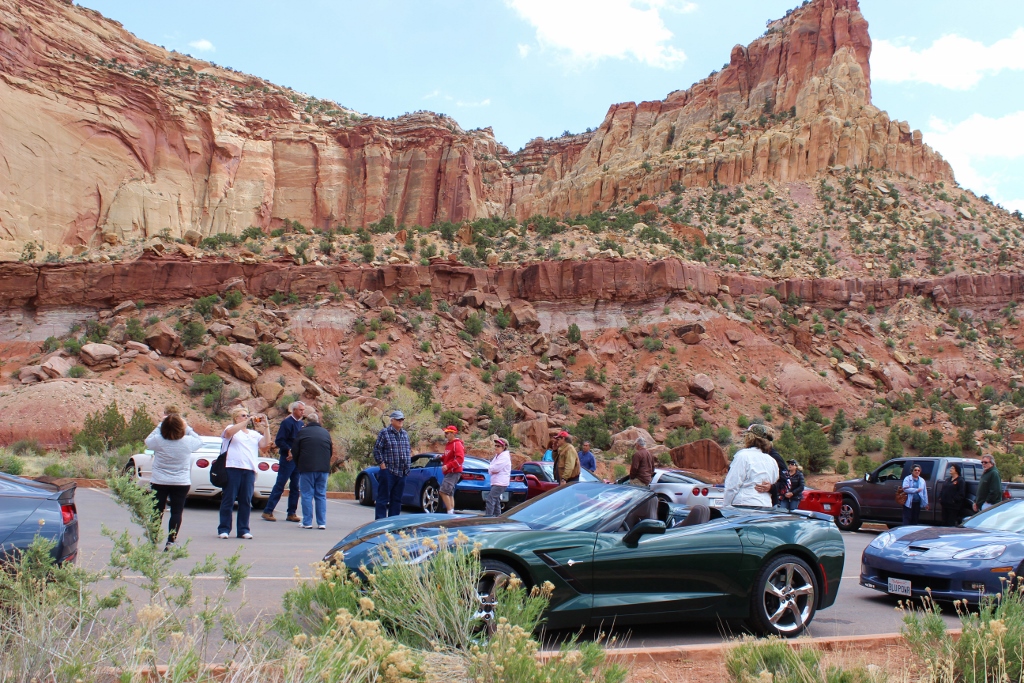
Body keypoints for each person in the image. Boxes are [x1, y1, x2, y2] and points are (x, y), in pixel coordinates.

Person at [145, 407, 203, 551]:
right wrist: (187, 427)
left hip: (159, 481)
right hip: (180, 482)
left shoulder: (158, 441)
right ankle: (171, 541)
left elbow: (148, 441)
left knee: (157, 511)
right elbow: (199, 440)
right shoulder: (187, 441)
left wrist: (160, 424)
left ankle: (153, 540)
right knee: (176, 512)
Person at [219, 406, 270, 539]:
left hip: (249, 470)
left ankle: (243, 529)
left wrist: (266, 427)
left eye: (247, 415)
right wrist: (245, 422)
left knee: (246, 500)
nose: (246, 417)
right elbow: (229, 433)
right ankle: (224, 528)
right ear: (236, 418)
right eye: (243, 415)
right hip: (232, 467)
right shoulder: (231, 428)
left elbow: (265, 444)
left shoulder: (253, 434)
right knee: (228, 499)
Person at [263, 401, 305, 523]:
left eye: (303, 410)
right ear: (294, 410)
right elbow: (279, 440)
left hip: (296, 459)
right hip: (287, 459)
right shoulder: (287, 422)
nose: (303, 412)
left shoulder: (301, 423)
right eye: (301, 410)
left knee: (295, 486)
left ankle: (291, 513)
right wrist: (289, 450)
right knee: (280, 484)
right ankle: (268, 510)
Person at [291, 411, 332, 530]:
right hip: (323, 468)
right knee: (320, 494)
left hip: (307, 468)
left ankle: (307, 522)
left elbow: (295, 450)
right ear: (318, 421)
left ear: (307, 422)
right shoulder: (325, 433)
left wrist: (298, 463)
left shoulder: (302, 432)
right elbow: (330, 450)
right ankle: (321, 522)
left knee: (307, 494)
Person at [723, 426, 778, 507]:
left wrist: (726, 505)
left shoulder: (743, 456)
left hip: (744, 505)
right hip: (766, 506)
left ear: (749, 437)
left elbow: (732, 485)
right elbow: (774, 480)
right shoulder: (772, 461)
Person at [373, 410, 411, 519]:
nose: (400, 421)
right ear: (392, 420)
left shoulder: (404, 434)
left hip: (402, 472)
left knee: (397, 499)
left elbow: (408, 450)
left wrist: (407, 468)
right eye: (398, 419)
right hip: (388, 471)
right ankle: (380, 524)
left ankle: (393, 524)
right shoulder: (384, 433)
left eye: (402, 419)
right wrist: (382, 465)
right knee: (383, 499)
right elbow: (377, 450)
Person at [439, 425, 465, 514]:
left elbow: (460, 459)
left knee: (443, 491)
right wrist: (441, 458)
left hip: (453, 472)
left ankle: (450, 512)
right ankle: (451, 512)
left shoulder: (456, 444)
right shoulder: (449, 444)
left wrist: (448, 466)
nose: (445, 435)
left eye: (447, 433)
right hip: (450, 472)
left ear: (453, 433)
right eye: (445, 433)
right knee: (449, 493)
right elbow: (449, 456)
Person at [486, 437, 511, 516]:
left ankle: (488, 518)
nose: (496, 447)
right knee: (496, 501)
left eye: (498, 446)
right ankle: (498, 518)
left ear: (504, 447)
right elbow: (491, 468)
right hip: (497, 482)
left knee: (490, 499)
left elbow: (494, 468)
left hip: (500, 483)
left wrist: (490, 469)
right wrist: (491, 469)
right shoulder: (498, 456)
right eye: (495, 445)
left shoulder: (504, 457)